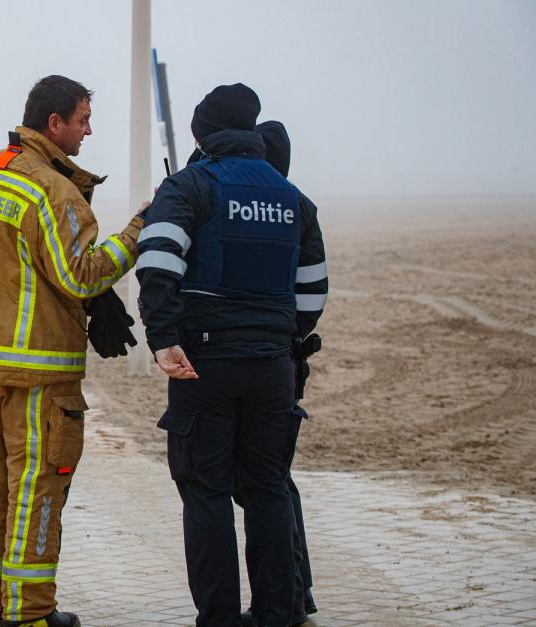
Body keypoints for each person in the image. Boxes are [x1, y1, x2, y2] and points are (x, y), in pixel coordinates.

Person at [0, 75, 145, 627]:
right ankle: (30, 613)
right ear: (53, 124)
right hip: (38, 376)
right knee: (35, 492)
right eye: (82, 119)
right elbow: (80, 277)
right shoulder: (53, 192)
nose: (88, 129)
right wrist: (136, 234)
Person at [136, 84, 327, 627]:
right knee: (268, 491)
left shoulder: (189, 186)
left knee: (207, 494)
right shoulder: (295, 199)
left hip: (204, 365)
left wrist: (164, 338)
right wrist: (281, 339)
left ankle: (218, 618)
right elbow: (312, 290)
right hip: (273, 368)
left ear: (201, 133)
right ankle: (276, 614)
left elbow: (157, 263)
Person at [234, 120, 328, 626]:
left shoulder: (267, 207)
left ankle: (290, 597)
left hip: (267, 359)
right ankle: (296, 594)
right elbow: (313, 294)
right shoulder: (296, 205)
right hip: (283, 358)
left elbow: (310, 292)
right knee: (273, 481)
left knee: (266, 484)